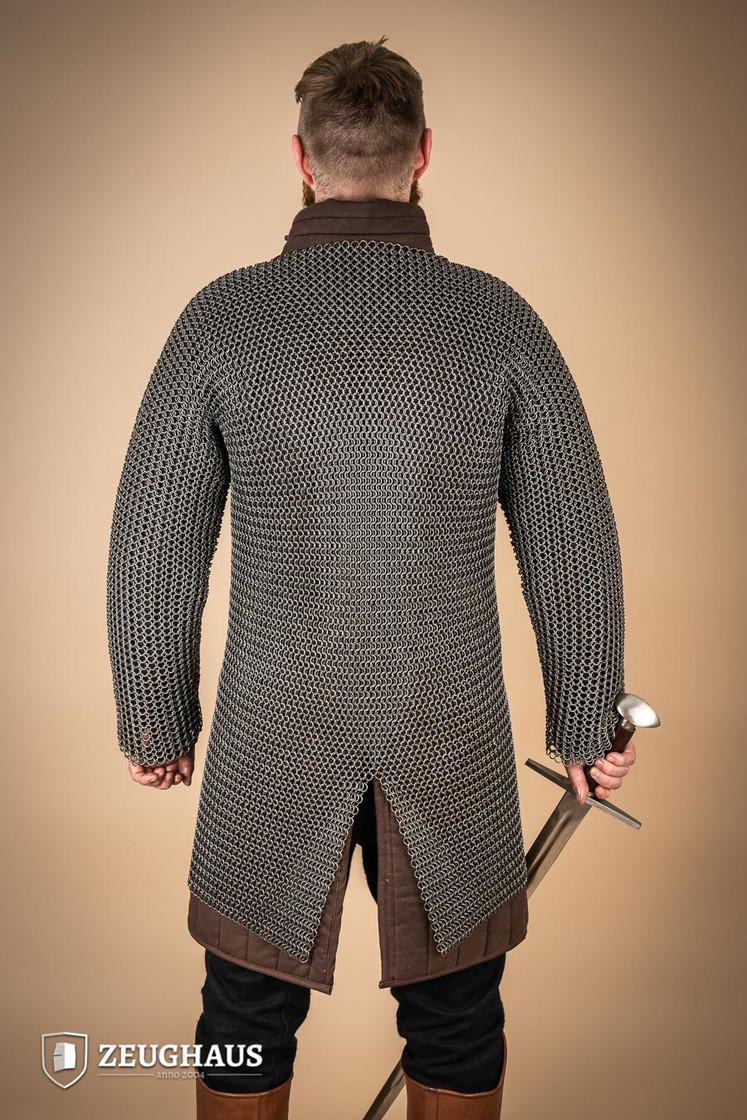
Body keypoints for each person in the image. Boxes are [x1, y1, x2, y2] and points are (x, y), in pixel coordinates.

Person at [106, 35, 637, 1120]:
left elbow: (154, 534)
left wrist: (154, 715)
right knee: (457, 1019)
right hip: (442, 718)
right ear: (422, 153)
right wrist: (587, 721)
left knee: (243, 1016)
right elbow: (571, 534)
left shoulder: (224, 318)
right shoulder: (496, 319)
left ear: (301, 157)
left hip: (277, 721)